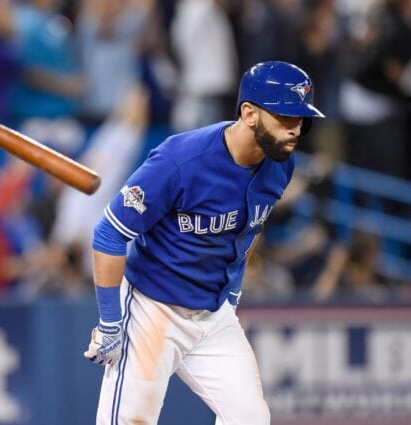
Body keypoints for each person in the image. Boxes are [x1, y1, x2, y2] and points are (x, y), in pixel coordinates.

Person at [83, 61, 325, 425]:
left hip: (211, 316)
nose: (296, 130)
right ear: (249, 114)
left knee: (251, 418)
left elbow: (246, 232)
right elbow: (110, 233)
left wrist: (231, 294)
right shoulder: (181, 159)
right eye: (285, 117)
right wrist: (110, 322)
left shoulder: (280, 164)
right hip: (153, 309)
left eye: (301, 119)